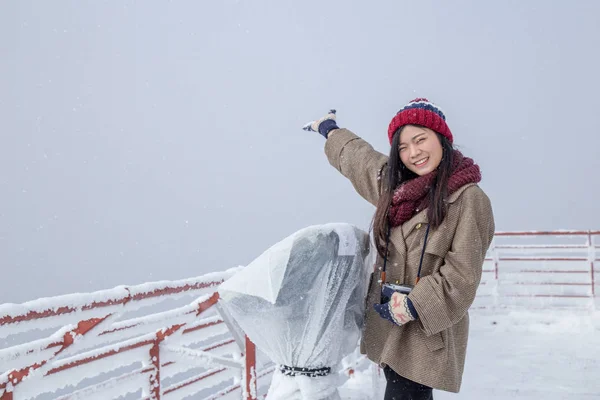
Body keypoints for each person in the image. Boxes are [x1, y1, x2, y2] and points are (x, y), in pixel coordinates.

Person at [303, 98, 495, 400]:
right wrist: (329, 130)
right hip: (389, 326)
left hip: (427, 332)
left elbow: (463, 276)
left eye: (420, 140)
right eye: (403, 146)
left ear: (442, 138)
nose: (413, 152)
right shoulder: (397, 190)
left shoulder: (468, 200)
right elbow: (361, 160)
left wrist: (414, 305)